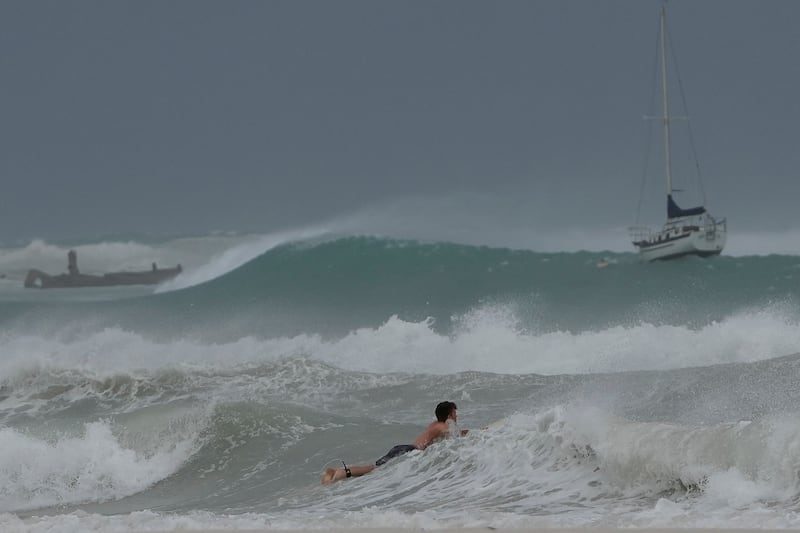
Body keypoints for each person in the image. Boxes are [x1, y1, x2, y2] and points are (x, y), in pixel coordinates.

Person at [321, 401, 469, 484]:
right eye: (455, 413)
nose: (456, 416)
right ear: (449, 415)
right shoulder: (443, 426)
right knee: (374, 470)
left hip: (404, 448)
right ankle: (339, 473)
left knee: (373, 469)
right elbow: (454, 434)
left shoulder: (434, 424)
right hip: (410, 451)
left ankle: (338, 472)